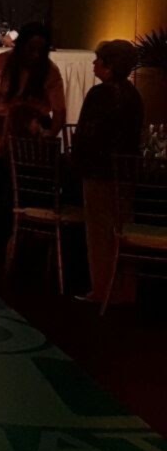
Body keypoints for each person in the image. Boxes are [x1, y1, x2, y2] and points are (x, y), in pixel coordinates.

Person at [71, 39, 144, 305]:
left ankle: (102, 288)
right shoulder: (133, 95)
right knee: (123, 229)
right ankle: (125, 288)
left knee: (100, 233)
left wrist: (76, 161)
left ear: (109, 65)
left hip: (98, 171)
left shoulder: (99, 95)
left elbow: (87, 134)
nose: (94, 63)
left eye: (98, 60)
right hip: (125, 173)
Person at [0, 22, 67, 154]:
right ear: (21, 46)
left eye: (41, 50)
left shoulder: (51, 71)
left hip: (37, 127)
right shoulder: (1, 62)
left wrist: (50, 136)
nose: (36, 55)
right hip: (5, 126)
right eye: (31, 49)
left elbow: (59, 111)